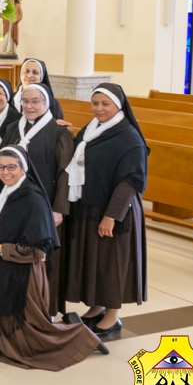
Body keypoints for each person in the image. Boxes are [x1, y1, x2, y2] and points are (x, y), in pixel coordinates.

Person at [0, 147, 106, 369]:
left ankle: (80, 337)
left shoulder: (32, 199)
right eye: (1, 167)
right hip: (2, 266)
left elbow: (38, 251)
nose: (5, 172)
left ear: (23, 168)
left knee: (32, 329)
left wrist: (1, 249)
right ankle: (4, 343)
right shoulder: (7, 191)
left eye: (11, 167)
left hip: (23, 272)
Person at [63, 84, 149, 338]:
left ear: (118, 105)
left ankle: (112, 318)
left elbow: (131, 180)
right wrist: (69, 135)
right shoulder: (91, 129)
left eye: (105, 104)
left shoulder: (128, 137)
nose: (99, 109)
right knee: (96, 262)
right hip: (90, 205)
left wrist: (111, 216)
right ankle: (97, 307)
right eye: (95, 103)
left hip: (115, 211)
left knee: (112, 264)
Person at [0, 82, 73, 316]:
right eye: (25, 101)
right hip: (14, 202)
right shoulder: (13, 128)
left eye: (35, 101)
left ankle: (45, 308)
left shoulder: (58, 131)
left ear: (46, 103)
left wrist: (59, 208)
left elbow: (65, 173)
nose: (29, 106)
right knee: (16, 251)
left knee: (43, 255)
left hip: (46, 205)